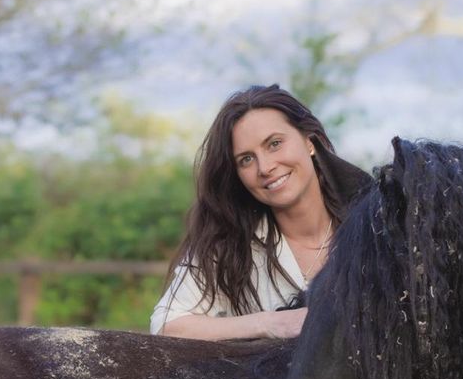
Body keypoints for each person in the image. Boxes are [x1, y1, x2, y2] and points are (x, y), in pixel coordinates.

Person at [150, 84, 360, 340]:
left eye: (274, 144)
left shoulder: (373, 226)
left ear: (309, 142)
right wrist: (270, 323)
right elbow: (166, 324)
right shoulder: (228, 242)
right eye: (246, 159)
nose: (265, 167)